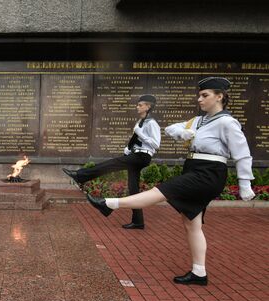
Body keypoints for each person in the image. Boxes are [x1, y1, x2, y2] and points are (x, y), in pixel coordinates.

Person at [86, 77, 255, 286]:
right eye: (199, 95)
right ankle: (199, 273)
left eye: (205, 95)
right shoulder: (198, 121)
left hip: (209, 172)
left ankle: (109, 204)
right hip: (193, 167)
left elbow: (242, 154)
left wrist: (245, 183)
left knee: (162, 191)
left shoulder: (227, 122)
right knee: (191, 223)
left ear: (219, 96)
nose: (199, 99)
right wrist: (183, 132)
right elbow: (171, 129)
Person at [63, 94, 161, 229]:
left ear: (148, 106)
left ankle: (80, 176)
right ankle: (138, 221)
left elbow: (156, 144)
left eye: (140, 105)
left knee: (112, 164)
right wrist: (128, 148)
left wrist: (141, 134)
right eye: (137, 104)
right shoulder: (140, 122)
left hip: (142, 157)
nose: (137, 107)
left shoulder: (152, 123)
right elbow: (136, 140)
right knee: (133, 189)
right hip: (136, 155)